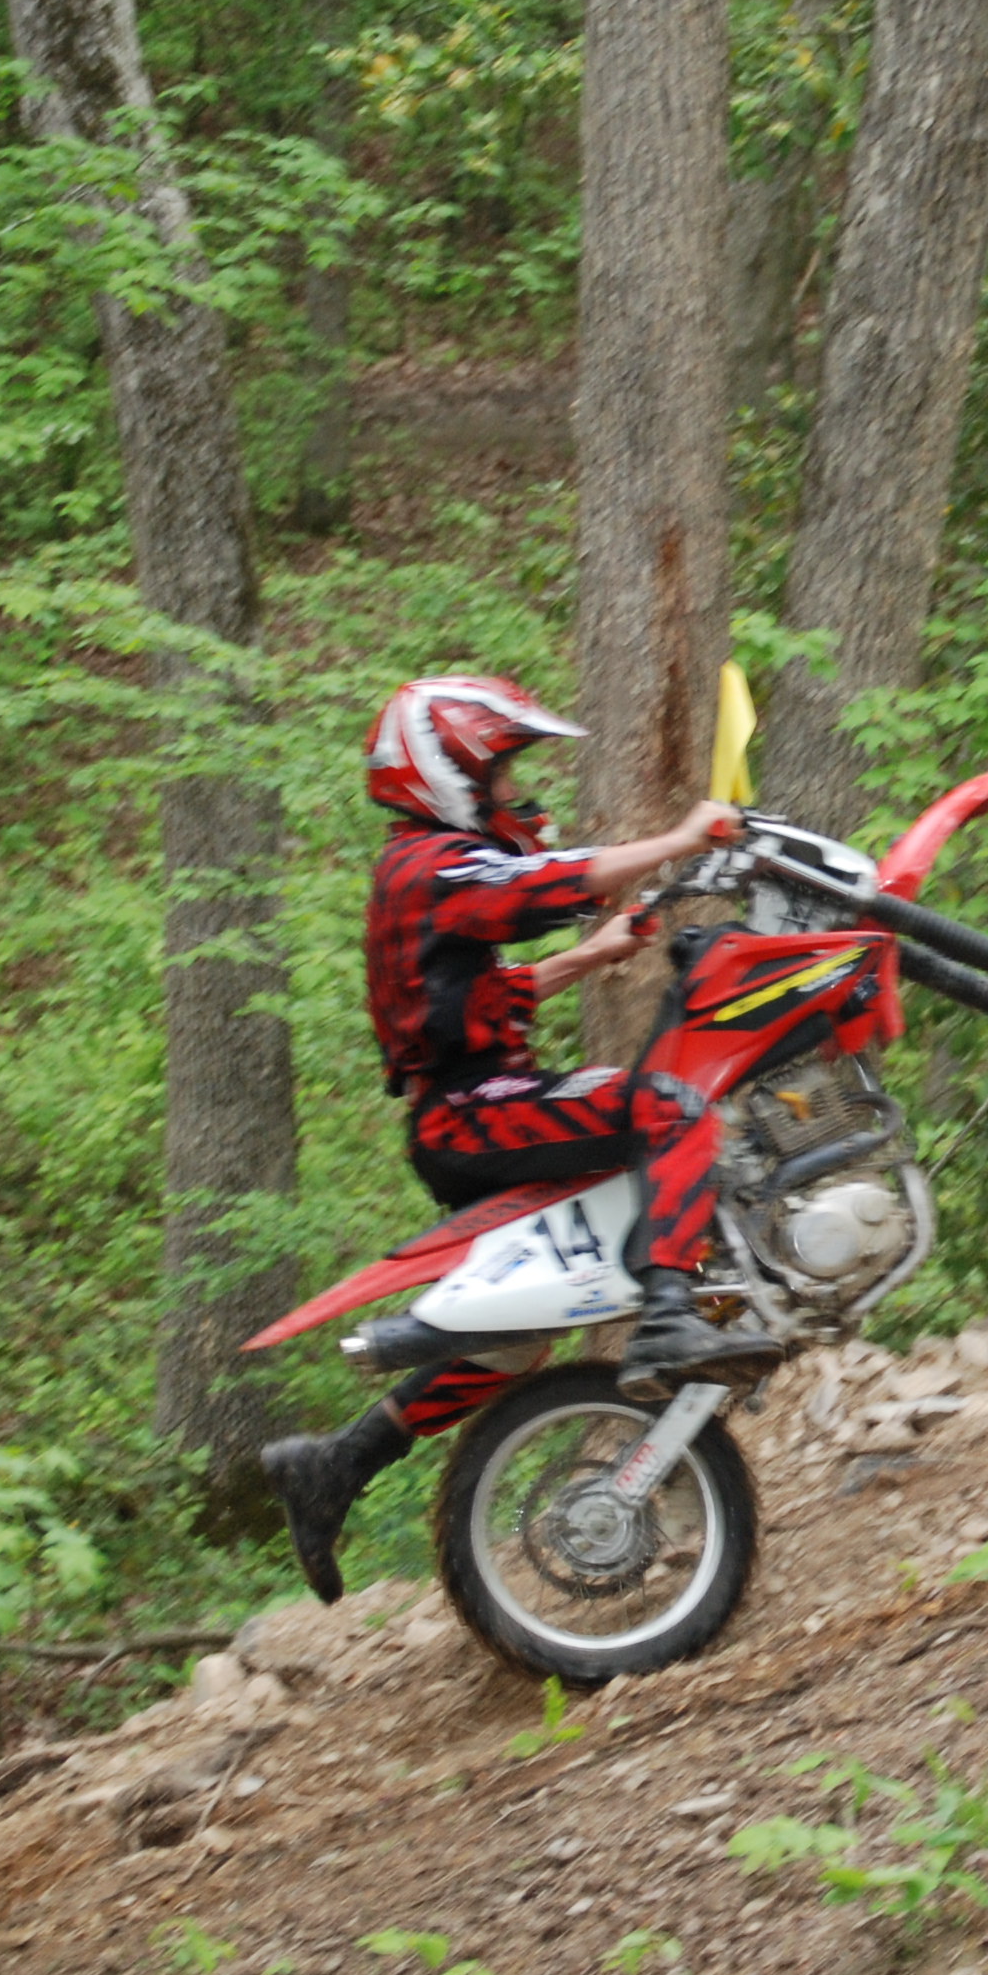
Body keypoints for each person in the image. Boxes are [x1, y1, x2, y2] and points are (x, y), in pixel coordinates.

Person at [263, 673, 781, 1602]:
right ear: (447, 774)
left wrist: (588, 957)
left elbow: (463, 1001)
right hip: (475, 1115)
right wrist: (684, 836)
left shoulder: (422, 874)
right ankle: (672, 1317)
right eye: (501, 774)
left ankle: (336, 1464)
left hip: (468, 1108)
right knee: (673, 1108)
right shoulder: (431, 865)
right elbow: (544, 884)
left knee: (517, 1341)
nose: (514, 793)